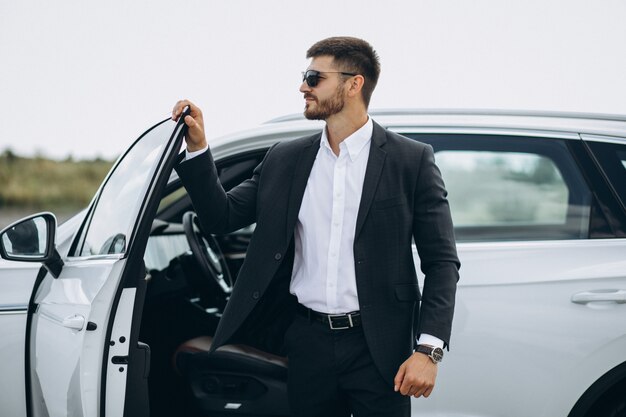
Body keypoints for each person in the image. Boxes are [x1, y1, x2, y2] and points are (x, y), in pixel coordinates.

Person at [172, 36, 459, 417]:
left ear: (353, 84)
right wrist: (198, 147)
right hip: (308, 341)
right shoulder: (285, 159)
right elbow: (221, 217)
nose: (303, 87)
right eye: (304, 77)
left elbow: (441, 262)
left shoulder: (411, 160)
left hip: (380, 346)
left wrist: (428, 351)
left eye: (313, 77)